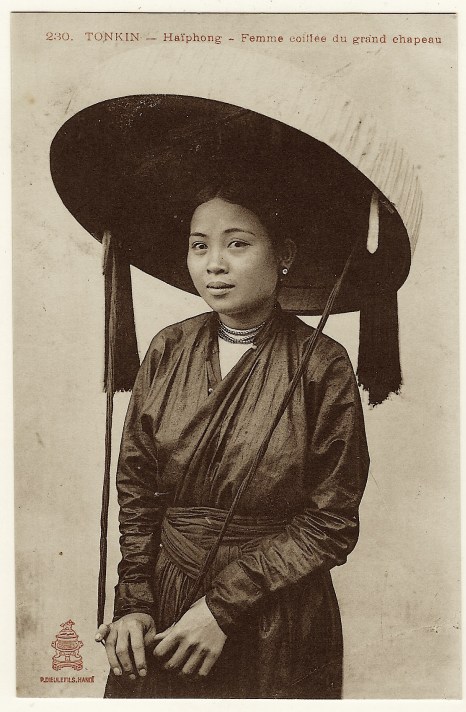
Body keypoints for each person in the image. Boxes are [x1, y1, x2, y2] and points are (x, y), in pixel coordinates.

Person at [95, 181, 370, 699]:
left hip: (274, 612)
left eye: (237, 243)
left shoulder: (321, 363)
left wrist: (221, 608)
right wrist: (133, 602)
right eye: (199, 246)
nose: (214, 264)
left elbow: (332, 522)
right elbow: (137, 488)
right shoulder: (168, 349)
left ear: (284, 255)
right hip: (166, 603)